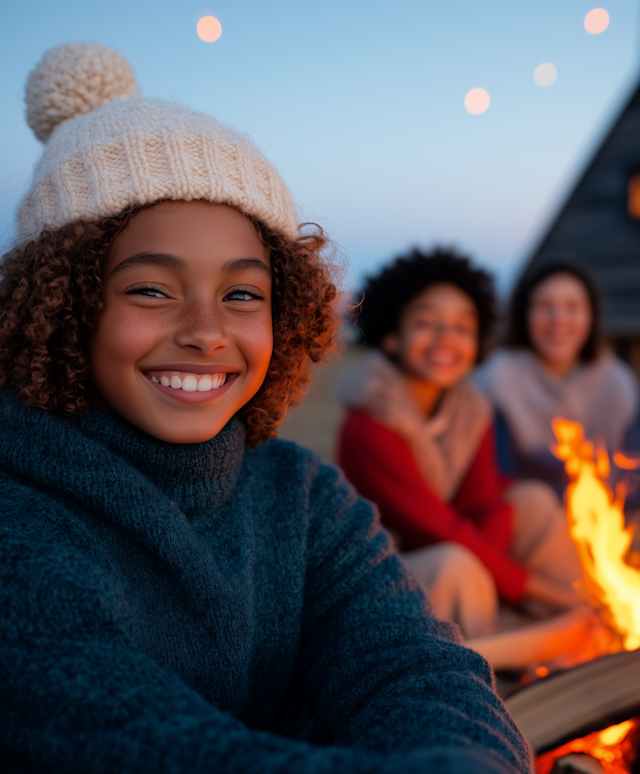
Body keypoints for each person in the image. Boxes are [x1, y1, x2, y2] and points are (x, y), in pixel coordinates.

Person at [0, 43, 532, 774]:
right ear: (60, 307)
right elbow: (140, 743)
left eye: (243, 294)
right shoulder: (19, 521)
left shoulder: (302, 495)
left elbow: (418, 669)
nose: (207, 332)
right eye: (151, 289)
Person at [337, 249, 582, 640]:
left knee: (530, 501)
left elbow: (481, 505)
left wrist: (498, 561)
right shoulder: (369, 421)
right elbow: (439, 529)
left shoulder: (470, 410)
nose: (446, 338)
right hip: (380, 570)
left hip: (452, 549)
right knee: (456, 563)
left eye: (462, 327)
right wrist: (538, 588)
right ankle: (480, 671)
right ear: (392, 337)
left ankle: (583, 617)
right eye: (427, 322)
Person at [476, 261, 639, 497]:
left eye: (572, 307)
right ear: (524, 314)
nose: (558, 319)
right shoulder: (499, 378)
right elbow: (498, 474)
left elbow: (634, 470)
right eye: (544, 306)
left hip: (607, 514)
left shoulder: (618, 381)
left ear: (591, 316)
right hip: (528, 515)